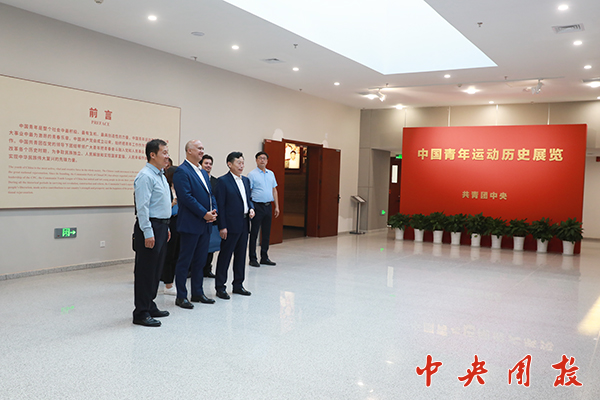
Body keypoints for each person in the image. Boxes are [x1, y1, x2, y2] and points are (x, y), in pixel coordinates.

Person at [172, 140, 218, 309]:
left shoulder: (203, 172)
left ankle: (197, 293)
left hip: (205, 223)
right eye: (199, 148)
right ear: (189, 151)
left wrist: (213, 211)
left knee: (200, 260)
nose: (202, 151)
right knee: (185, 261)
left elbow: (210, 195)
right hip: (191, 223)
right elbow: (186, 197)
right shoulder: (182, 171)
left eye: (203, 148)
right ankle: (181, 296)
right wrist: (204, 213)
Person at [132, 139, 172, 327]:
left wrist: (166, 227)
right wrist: (148, 232)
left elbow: (161, 205)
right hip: (150, 227)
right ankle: (141, 312)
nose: (167, 156)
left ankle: (150, 304)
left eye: (167, 152)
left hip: (161, 227)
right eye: (164, 152)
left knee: (156, 270)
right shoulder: (145, 176)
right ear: (152, 155)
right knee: (145, 272)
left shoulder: (160, 175)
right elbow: (143, 208)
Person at [214, 152, 255, 299]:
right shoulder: (223, 181)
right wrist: (222, 226)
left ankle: (238, 284)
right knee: (225, 256)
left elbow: (248, 199)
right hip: (230, 225)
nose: (241, 165)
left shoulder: (246, 181)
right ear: (229, 164)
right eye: (238, 162)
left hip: (244, 222)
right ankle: (220, 287)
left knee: (241, 255)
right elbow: (221, 205)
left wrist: (251, 208)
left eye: (243, 163)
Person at [247, 151, 279, 267]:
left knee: (266, 233)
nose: (262, 160)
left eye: (264, 158)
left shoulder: (271, 174)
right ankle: (252, 258)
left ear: (267, 161)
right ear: (256, 160)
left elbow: (274, 190)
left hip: (268, 206)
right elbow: (248, 192)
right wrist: (250, 208)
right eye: (260, 158)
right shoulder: (252, 174)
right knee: (254, 233)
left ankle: (264, 257)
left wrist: (277, 206)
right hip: (257, 206)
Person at [160, 165, 179, 296]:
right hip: (169, 221)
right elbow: (163, 207)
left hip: (179, 222)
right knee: (169, 254)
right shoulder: (165, 188)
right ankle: (168, 283)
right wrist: (173, 203)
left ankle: (173, 281)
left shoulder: (179, 188)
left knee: (177, 253)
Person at [201, 154, 219, 278]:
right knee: (200, 246)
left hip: (213, 217)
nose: (208, 166)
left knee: (211, 245)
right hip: (200, 216)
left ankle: (207, 269)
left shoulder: (216, 181)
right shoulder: (197, 179)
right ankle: (195, 269)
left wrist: (215, 212)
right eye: (206, 163)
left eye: (210, 164)